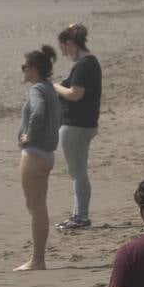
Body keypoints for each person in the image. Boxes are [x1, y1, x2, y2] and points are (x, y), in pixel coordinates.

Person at [15, 45, 61, 272]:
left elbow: (39, 111)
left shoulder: (37, 90)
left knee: (36, 207)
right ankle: (38, 258)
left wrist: (29, 135)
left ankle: (37, 259)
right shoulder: (50, 88)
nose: (22, 71)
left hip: (35, 153)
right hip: (48, 153)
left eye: (24, 67)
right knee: (37, 206)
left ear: (33, 69)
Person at [52, 23, 100, 231]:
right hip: (84, 124)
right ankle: (79, 215)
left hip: (77, 125)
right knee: (79, 170)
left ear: (70, 43)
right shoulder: (91, 62)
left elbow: (75, 94)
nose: (64, 54)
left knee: (77, 171)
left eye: (63, 49)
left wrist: (52, 86)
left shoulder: (83, 65)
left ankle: (80, 216)